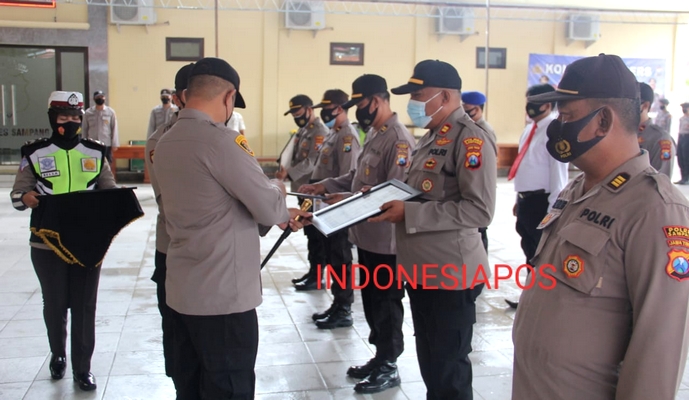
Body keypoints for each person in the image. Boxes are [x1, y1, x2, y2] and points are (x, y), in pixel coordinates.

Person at [512, 54, 689, 400]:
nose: (557, 127)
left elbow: (658, 351)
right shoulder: (578, 188)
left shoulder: (655, 210)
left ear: (603, 121)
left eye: (566, 117)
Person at [153, 57, 309, 399]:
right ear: (229, 97)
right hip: (222, 299)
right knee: (228, 387)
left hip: (181, 290)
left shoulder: (164, 142)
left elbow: (211, 204)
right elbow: (267, 205)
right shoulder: (221, 141)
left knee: (190, 385)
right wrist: (278, 189)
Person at [369, 60, 497, 400]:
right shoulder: (432, 136)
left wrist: (409, 213)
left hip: (451, 273)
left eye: (418, 95)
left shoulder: (471, 139)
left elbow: (480, 210)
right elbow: (422, 192)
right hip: (423, 269)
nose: (413, 102)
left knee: (448, 369)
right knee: (431, 362)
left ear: (445, 97)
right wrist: (378, 198)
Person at [300, 74, 416, 394]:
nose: (357, 110)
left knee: (387, 304)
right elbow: (357, 176)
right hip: (365, 236)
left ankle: (389, 364)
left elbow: (392, 192)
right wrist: (325, 185)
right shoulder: (376, 133)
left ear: (376, 101)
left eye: (360, 103)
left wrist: (347, 198)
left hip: (386, 242)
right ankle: (380, 357)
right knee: (373, 302)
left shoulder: (399, 139)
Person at [10, 91, 117, 391]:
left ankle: (83, 368)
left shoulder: (95, 152)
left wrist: (112, 203)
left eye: (74, 117)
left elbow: (109, 189)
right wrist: (26, 198)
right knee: (55, 302)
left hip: (87, 242)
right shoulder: (35, 153)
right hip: (47, 242)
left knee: (85, 305)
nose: (70, 122)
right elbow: (18, 194)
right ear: (52, 119)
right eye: (63, 117)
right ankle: (58, 354)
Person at [144, 62, 194, 380]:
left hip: (208, 255)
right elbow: (170, 202)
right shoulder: (161, 140)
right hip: (174, 248)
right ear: (179, 98)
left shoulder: (223, 136)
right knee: (176, 328)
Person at [505, 83, 569, 309]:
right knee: (529, 250)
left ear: (548, 104)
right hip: (527, 201)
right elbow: (525, 165)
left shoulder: (554, 130)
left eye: (534, 102)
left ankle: (542, 300)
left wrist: (554, 210)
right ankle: (530, 296)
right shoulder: (530, 129)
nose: (529, 106)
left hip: (543, 202)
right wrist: (518, 199)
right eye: (528, 101)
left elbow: (558, 173)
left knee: (541, 253)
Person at [303, 89, 361, 329]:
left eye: (328, 109)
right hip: (326, 204)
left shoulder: (347, 136)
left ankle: (344, 308)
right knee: (333, 257)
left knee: (340, 258)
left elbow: (348, 176)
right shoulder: (334, 134)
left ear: (340, 108)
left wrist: (337, 198)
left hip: (338, 206)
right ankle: (338, 304)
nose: (325, 113)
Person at [276, 95, 328, 291]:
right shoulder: (304, 130)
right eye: (293, 113)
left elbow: (312, 161)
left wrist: (289, 173)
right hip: (302, 190)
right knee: (310, 234)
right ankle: (313, 272)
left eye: (298, 112)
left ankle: (318, 276)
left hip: (312, 190)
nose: (296, 116)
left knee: (316, 236)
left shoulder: (319, 132)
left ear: (309, 109)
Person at [462, 90, 495, 252]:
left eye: (467, 110)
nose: (464, 113)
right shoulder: (469, 128)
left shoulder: (482, 130)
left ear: (477, 109)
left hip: (479, 187)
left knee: (479, 236)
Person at [638, 82, 675, 178]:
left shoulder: (660, 139)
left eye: (630, 103)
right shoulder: (621, 134)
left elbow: (661, 181)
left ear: (645, 106)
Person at [82, 90, 119, 163]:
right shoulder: (88, 112)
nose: (100, 98)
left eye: (102, 97)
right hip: (92, 144)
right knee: (93, 164)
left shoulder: (110, 112)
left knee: (106, 164)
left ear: (105, 98)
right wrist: (84, 143)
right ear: (94, 99)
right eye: (98, 97)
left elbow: (114, 128)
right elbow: (84, 128)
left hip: (106, 144)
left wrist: (115, 144)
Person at [676, 102, 689, 185]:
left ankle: (686, 178)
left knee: (686, 158)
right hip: (681, 137)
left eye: (685, 108)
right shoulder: (682, 118)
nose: (684, 109)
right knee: (680, 157)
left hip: (687, 137)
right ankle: (682, 177)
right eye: (683, 108)